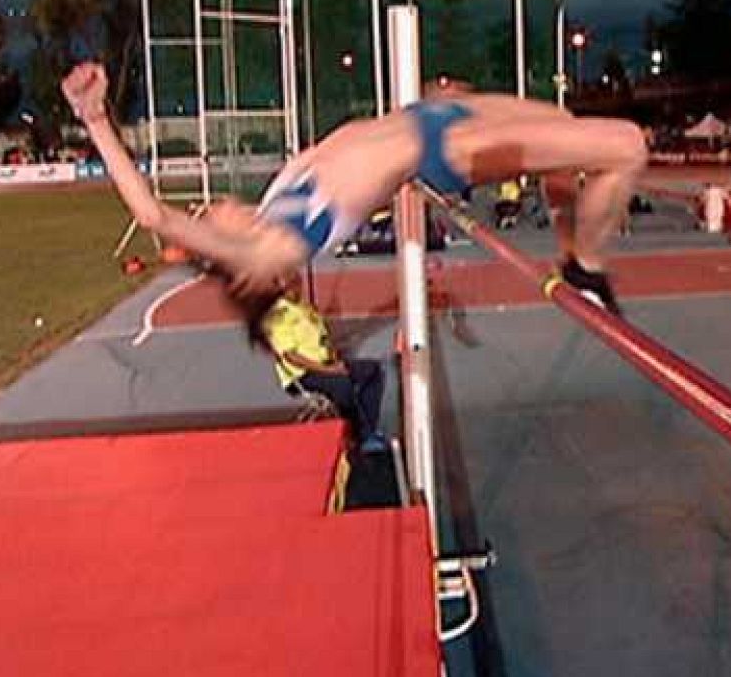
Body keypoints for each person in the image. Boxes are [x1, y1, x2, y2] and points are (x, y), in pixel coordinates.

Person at [61, 62, 646, 317]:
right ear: (241, 270)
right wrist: (96, 121)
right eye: (208, 220)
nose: (209, 209)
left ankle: (573, 248)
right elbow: (154, 215)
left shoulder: (273, 205)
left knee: (569, 133)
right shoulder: (272, 250)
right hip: (449, 149)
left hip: (441, 114)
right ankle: (587, 265)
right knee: (627, 146)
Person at [260, 285, 388, 453]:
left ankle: (367, 430)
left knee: (371, 371)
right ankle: (359, 435)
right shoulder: (277, 317)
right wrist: (329, 370)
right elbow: (291, 357)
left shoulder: (304, 306)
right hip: (303, 375)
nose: (296, 287)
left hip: (327, 365)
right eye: (289, 284)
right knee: (343, 387)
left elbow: (320, 337)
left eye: (296, 282)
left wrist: (334, 359)